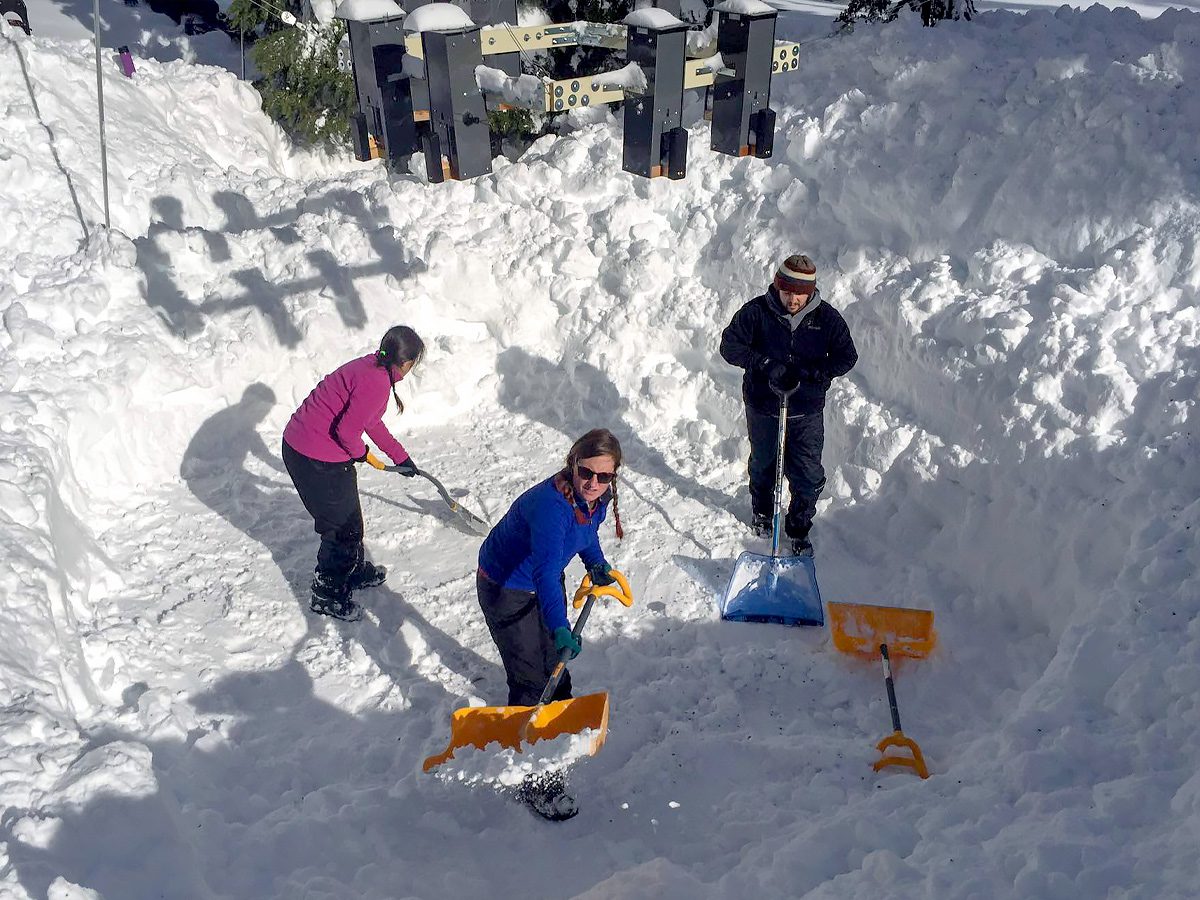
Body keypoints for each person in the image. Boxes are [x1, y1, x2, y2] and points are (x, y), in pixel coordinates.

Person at [282, 325, 424, 622]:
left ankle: (351, 569)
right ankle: (327, 594)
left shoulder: (373, 367)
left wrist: (400, 457)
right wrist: (361, 453)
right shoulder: (376, 381)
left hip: (309, 447)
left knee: (351, 520)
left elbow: (369, 421)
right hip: (314, 456)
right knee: (342, 529)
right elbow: (348, 431)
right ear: (407, 363)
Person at [719, 254, 857, 555]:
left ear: (810, 292)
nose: (792, 299)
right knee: (764, 460)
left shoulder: (827, 319)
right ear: (777, 286)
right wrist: (765, 364)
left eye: (800, 293)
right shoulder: (757, 312)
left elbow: (848, 356)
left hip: (805, 408)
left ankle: (798, 527)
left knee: (806, 471)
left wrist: (815, 373)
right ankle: (763, 511)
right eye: (787, 291)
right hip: (763, 402)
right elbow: (729, 345)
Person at [476, 428, 624, 708]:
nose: (594, 483)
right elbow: (544, 572)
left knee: (555, 659)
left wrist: (594, 561)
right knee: (529, 672)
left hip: (544, 579)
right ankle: (526, 733)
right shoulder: (551, 507)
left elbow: (586, 531)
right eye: (586, 473)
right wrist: (559, 627)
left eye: (604, 476)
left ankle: (559, 710)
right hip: (505, 586)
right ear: (573, 464)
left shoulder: (595, 500)